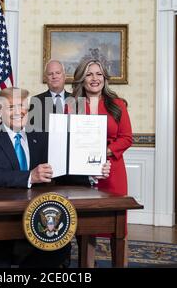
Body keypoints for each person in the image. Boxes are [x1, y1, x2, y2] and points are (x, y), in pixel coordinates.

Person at [0, 87, 111, 268]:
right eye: (11, 107)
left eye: (22, 105)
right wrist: (29, 176)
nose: (18, 111)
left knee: (56, 253)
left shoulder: (41, 136)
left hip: (39, 218)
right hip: (0, 220)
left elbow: (61, 171)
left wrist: (91, 172)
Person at [72, 59, 132, 266]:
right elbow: (67, 137)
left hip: (112, 171)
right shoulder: (72, 105)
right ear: (82, 78)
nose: (94, 78)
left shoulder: (118, 104)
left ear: (105, 78)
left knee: (118, 225)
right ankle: (87, 267)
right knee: (88, 226)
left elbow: (126, 137)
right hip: (82, 171)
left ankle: (120, 264)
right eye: (89, 74)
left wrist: (104, 152)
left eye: (99, 74)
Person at [30, 60, 71, 132]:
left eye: (58, 73)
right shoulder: (36, 101)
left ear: (64, 76)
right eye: (50, 74)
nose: (54, 76)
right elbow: (33, 131)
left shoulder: (76, 99)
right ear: (46, 78)